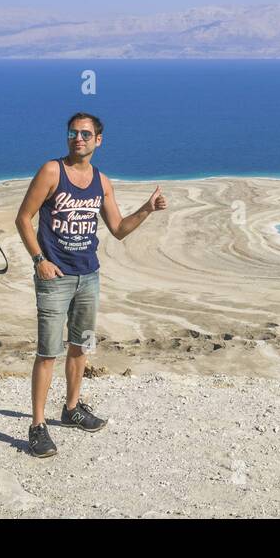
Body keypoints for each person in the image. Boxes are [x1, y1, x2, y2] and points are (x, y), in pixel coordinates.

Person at [14, 112, 167, 458]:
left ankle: (71, 409)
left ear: (99, 140)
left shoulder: (102, 182)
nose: (77, 138)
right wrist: (40, 260)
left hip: (88, 275)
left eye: (85, 134)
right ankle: (38, 426)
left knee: (80, 347)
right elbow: (23, 218)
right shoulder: (52, 171)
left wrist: (147, 208)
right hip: (56, 278)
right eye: (72, 133)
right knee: (47, 352)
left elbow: (118, 229)